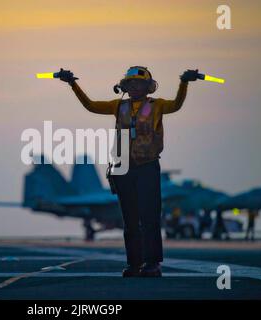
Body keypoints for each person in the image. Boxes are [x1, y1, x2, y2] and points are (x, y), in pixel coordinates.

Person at [59, 66, 197, 277]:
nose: (134, 87)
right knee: (130, 219)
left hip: (148, 166)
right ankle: (134, 264)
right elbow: (91, 106)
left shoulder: (157, 105)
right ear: (124, 86)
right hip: (123, 167)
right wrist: (72, 84)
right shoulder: (118, 106)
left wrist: (183, 83)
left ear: (147, 87)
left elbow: (177, 105)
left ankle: (152, 264)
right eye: (130, 83)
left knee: (150, 217)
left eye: (138, 83)